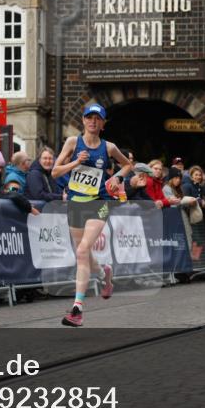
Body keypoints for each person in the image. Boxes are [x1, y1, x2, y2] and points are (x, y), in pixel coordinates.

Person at [51, 103, 131, 327]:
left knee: (82, 250)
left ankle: (77, 309)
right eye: (89, 117)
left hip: (99, 202)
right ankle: (104, 273)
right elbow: (55, 171)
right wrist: (76, 161)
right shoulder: (72, 142)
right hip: (76, 203)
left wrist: (118, 178)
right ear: (83, 120)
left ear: (103, 124)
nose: (93, 122)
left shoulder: (109, 147)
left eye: (97, 118)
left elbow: (127, 165)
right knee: (83, 254)